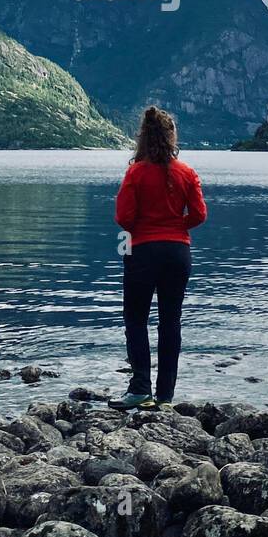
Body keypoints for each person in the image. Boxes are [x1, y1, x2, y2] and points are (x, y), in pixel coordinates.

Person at [111, 106, 207, 409]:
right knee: (170, 321)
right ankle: (165, 395)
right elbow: (200, 215)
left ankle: (140, 387)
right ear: (171, 136)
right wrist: (177, 226)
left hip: (143, 252)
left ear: (143, 137)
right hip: (178, 253)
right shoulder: (187, 172)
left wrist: (147, 227)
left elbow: (123, 218)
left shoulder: (136, 172)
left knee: (136, 319)